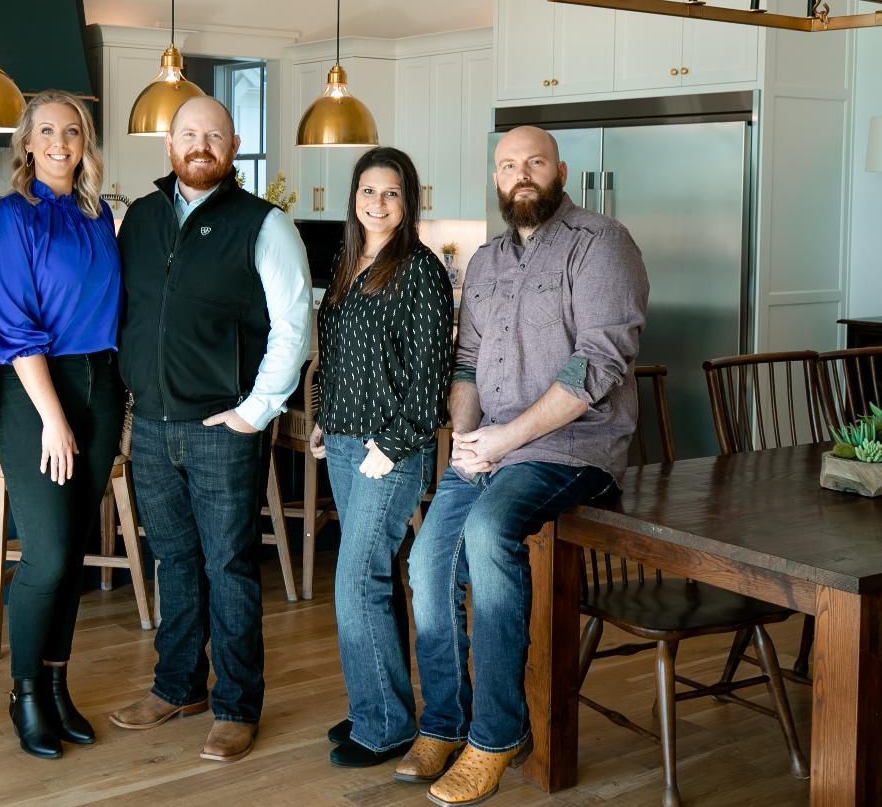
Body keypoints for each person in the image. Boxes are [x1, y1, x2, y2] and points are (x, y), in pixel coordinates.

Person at [408, 125, 649, 806]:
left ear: (560, 170)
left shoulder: (602, 244)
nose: (521, 175)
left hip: (575, 448)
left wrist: (506, 437)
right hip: (492, 446)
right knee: (426, 561)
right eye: (508, 165)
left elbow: (597, 362)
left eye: (534, 163)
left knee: (486, 532)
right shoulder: (485, 261)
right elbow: (466, 365)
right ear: (496, 176)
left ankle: (497, 734)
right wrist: (465, 439)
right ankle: (444, 722)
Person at [108, 96, 312, 764]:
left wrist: (257, 409)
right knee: (174, 559)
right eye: (189, 134)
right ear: (169, 145)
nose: (201, 144)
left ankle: (235, 705)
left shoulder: (264, 223)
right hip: (152, 421)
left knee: (227, 565)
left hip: (223, 425)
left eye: (214, 135)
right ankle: (177, 686)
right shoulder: (138, 219)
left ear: (233, 145)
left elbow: (293, 327)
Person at [0, 90, 125, 760]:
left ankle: (59, 684)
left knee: (75, 551)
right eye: (47, 132)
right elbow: (15, 327)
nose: (61, 142)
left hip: (102, 384)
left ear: (85, 143)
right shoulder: (11, 217)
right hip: (39, 393)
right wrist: (55, 419)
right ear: (27, 144)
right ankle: (25, 691)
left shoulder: (101, 217)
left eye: (73, 131)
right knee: (49, 553)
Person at [307, 147, 453, 770]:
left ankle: (386, 726)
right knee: (374, 583)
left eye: (391, 193)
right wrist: (320, 418)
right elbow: (332, 351)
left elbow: (430, 375)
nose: (378, 202)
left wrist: (390, 446)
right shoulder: (348, 262)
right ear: (354, 198)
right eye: (369, 191)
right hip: (342, 442)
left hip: (386, 452)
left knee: (354, 585)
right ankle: (382, 707)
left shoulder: (419, 270)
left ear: (408, 200)